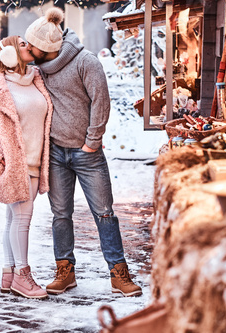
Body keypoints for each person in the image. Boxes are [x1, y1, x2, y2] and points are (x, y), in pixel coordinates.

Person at [25, 8, 143, 297]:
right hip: (55, 154)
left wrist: (92, 141)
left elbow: (101, 102)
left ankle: (119, 274)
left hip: (87, 153)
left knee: (104, 213)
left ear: (45, 48)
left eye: (31, 45)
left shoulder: (86, 62)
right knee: (60, 214)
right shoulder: (38, 70)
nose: (27, 48)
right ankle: (65, 272)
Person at [0, 36, 53, 299]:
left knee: (13, 218)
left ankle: (8, 273)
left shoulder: (36, 79)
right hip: (13, 166)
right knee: (22, 218)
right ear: (9, 53)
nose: (28, 46)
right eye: (21, 44)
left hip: (36, 163)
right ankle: (22, 276)